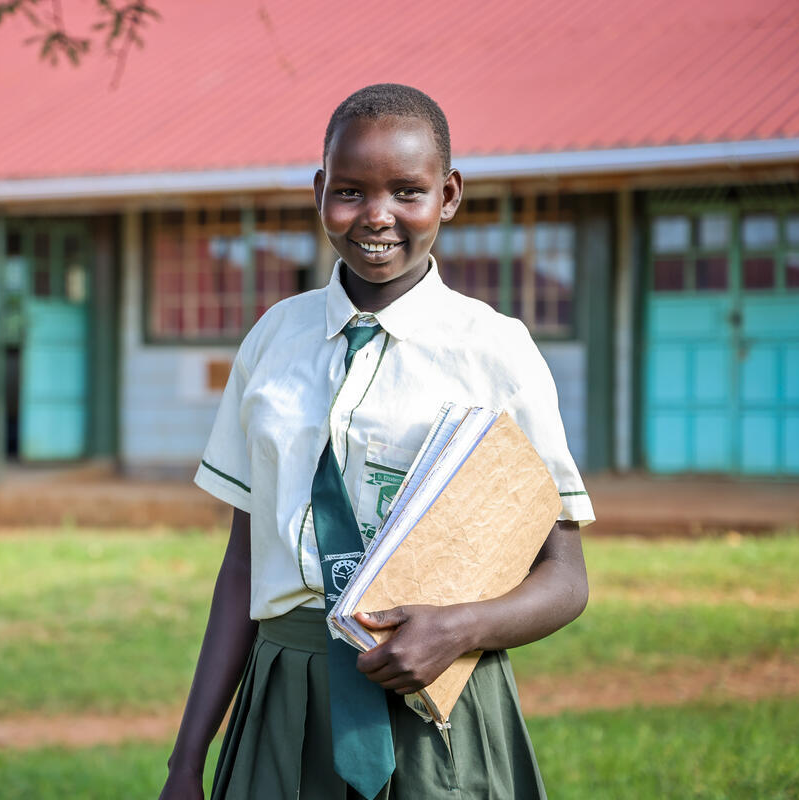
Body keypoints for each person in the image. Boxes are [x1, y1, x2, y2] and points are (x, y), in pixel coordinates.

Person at [159, 84, 593, 800]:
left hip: (438, 713)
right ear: (320, 191)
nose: (377, 216)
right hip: (284, 699)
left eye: (408, 191)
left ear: (449, 195)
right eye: (351, 191)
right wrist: (186, 760)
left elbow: (566, 578)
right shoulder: (274, 339)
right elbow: (242, 566)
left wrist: (460, 629)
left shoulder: (494, 351)